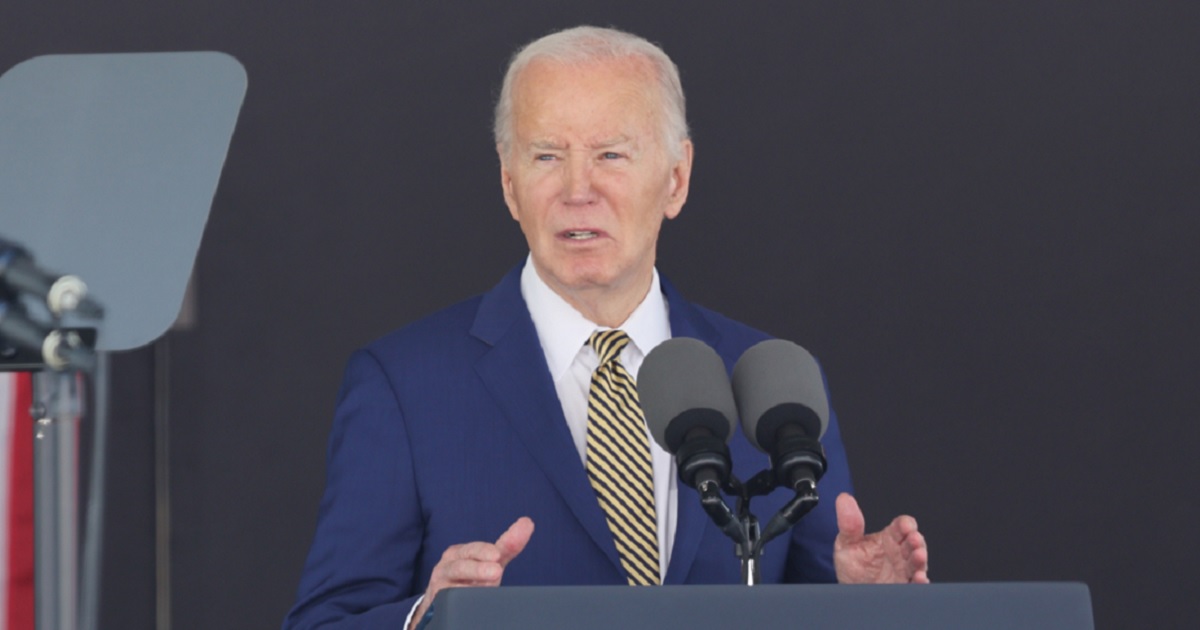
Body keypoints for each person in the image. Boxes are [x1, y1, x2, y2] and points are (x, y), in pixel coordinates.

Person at [284, 25, 928, 630]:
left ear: (675, 179)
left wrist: (871, 610)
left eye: (610, 154)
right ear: (509, 186)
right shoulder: (404, 385)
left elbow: (812, 605)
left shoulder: (766, 379)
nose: (577, 189)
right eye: (546, 156)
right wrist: (427, 617)